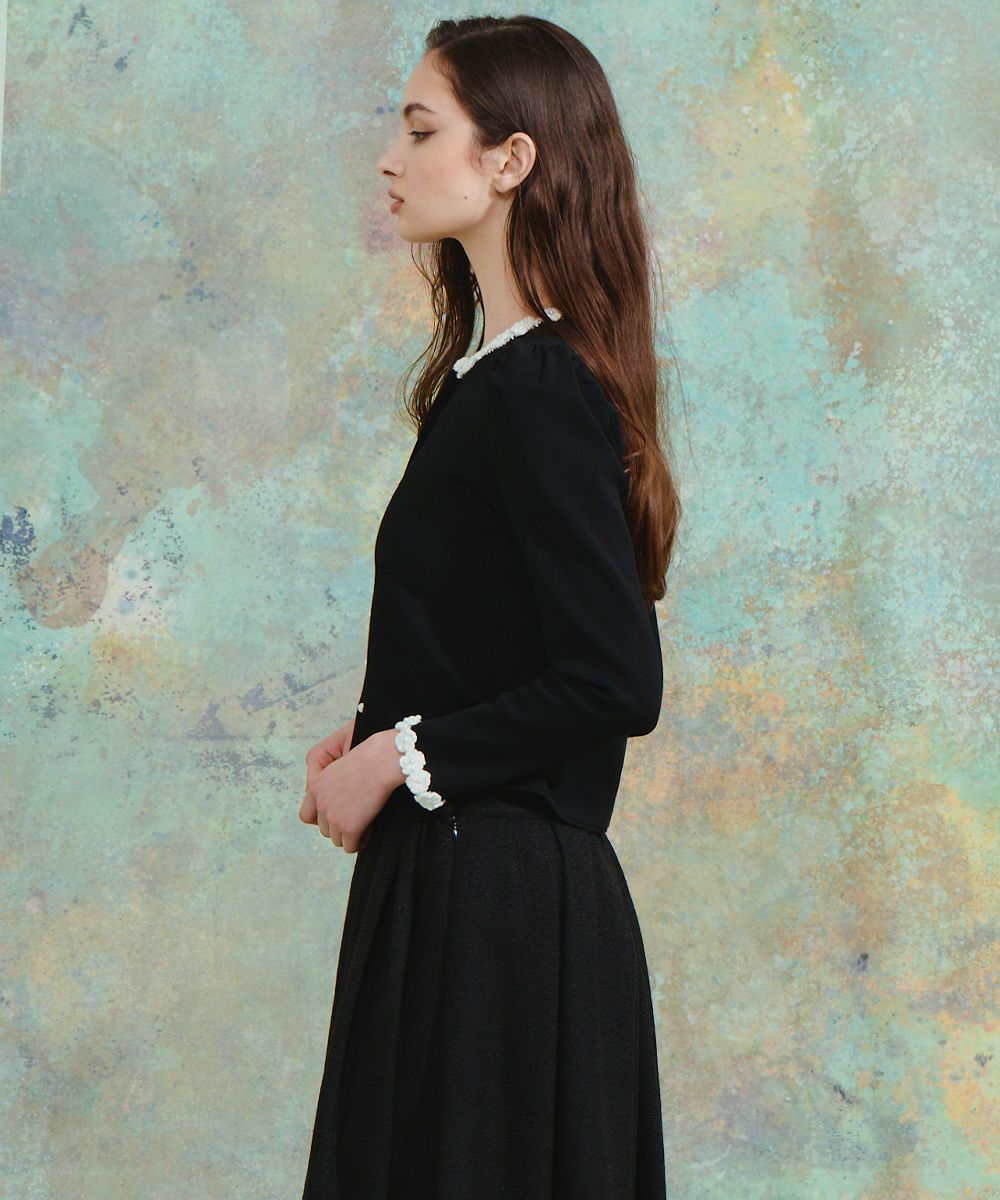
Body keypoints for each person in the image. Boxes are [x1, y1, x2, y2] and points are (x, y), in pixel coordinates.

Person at [300, 15, 682, 1199]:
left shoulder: (539, 388)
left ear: (509, 159)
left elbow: (613, 680)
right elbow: (505, 638)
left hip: (495, 925)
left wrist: (400, 757)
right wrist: (376, 728)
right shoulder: (495, 384)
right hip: (463, 896)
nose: (390, 157)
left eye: (421, 130)